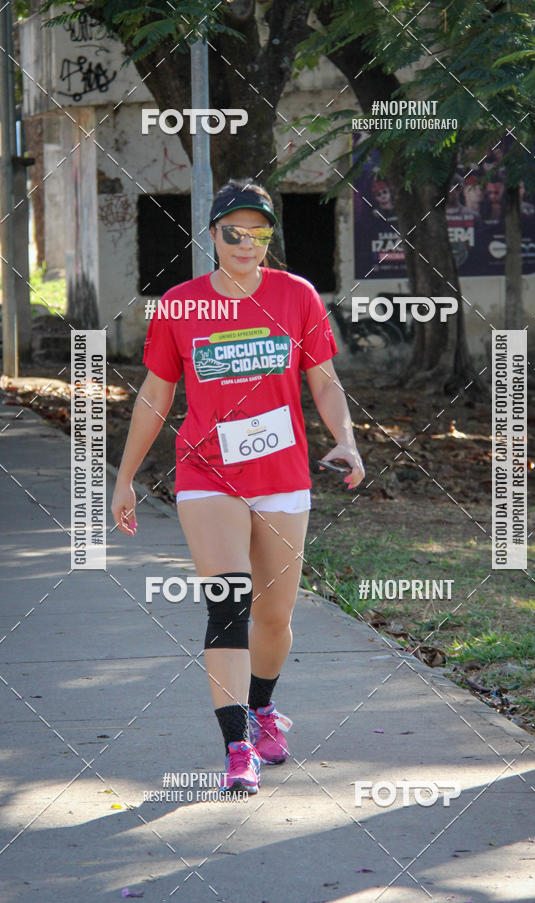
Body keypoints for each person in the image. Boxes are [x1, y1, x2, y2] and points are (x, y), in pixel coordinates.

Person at [111, 179, 365, 796]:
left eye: (259, 232)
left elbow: (323, 379)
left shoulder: (296, 295)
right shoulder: (180, 305)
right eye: (234, 232)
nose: (246, 243)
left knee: (274, 618)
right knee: (228, 604)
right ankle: (236, 747)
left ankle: (262, 707)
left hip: (282, 476)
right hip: (207, 474)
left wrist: (347, 439)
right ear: (212, 234)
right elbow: (156, 395)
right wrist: (124, 477)